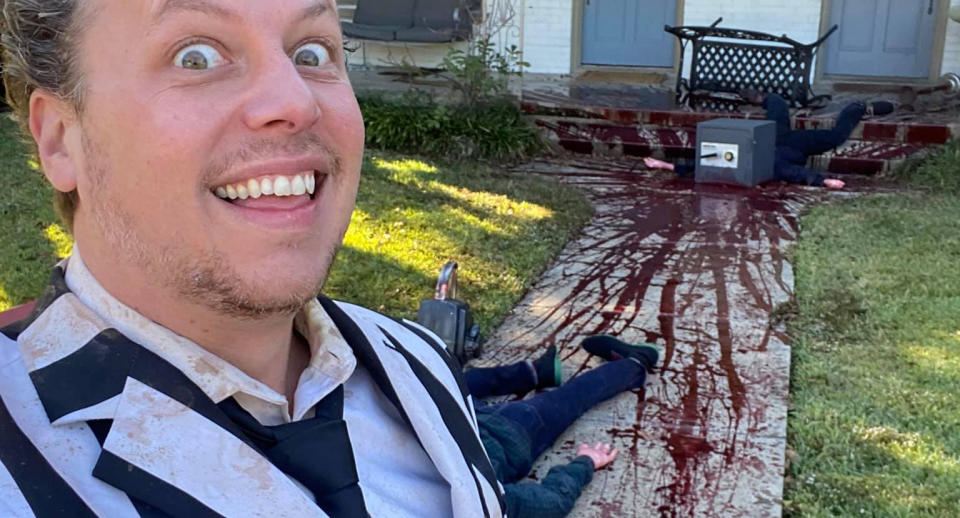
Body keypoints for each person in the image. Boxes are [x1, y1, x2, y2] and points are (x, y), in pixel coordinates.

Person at [0, 1, 504, 517]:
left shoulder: (419, 361)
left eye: (312, 51)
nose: (296, 100)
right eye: (194, 56)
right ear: (61, 139)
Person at [465, 337, 659, 518]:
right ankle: (637, 363)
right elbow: (549, 503)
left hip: (490, 427)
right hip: (497, 430)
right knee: (569, 399)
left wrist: (584, 463)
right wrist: (584, 463)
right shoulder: (468, 502)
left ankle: (537, 372)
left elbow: (550, 502)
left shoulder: (462, 503)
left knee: (568, 399)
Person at [643, 92, 896, 190]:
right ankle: (857, 107)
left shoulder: (757, 163)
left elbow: (709, 162)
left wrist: (667, 166)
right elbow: (796, 172)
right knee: (833, 137)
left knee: (777, 109)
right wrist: (824, 180)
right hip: (795, 143)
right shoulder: (765, 167)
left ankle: (761, 97)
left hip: (774, 137)